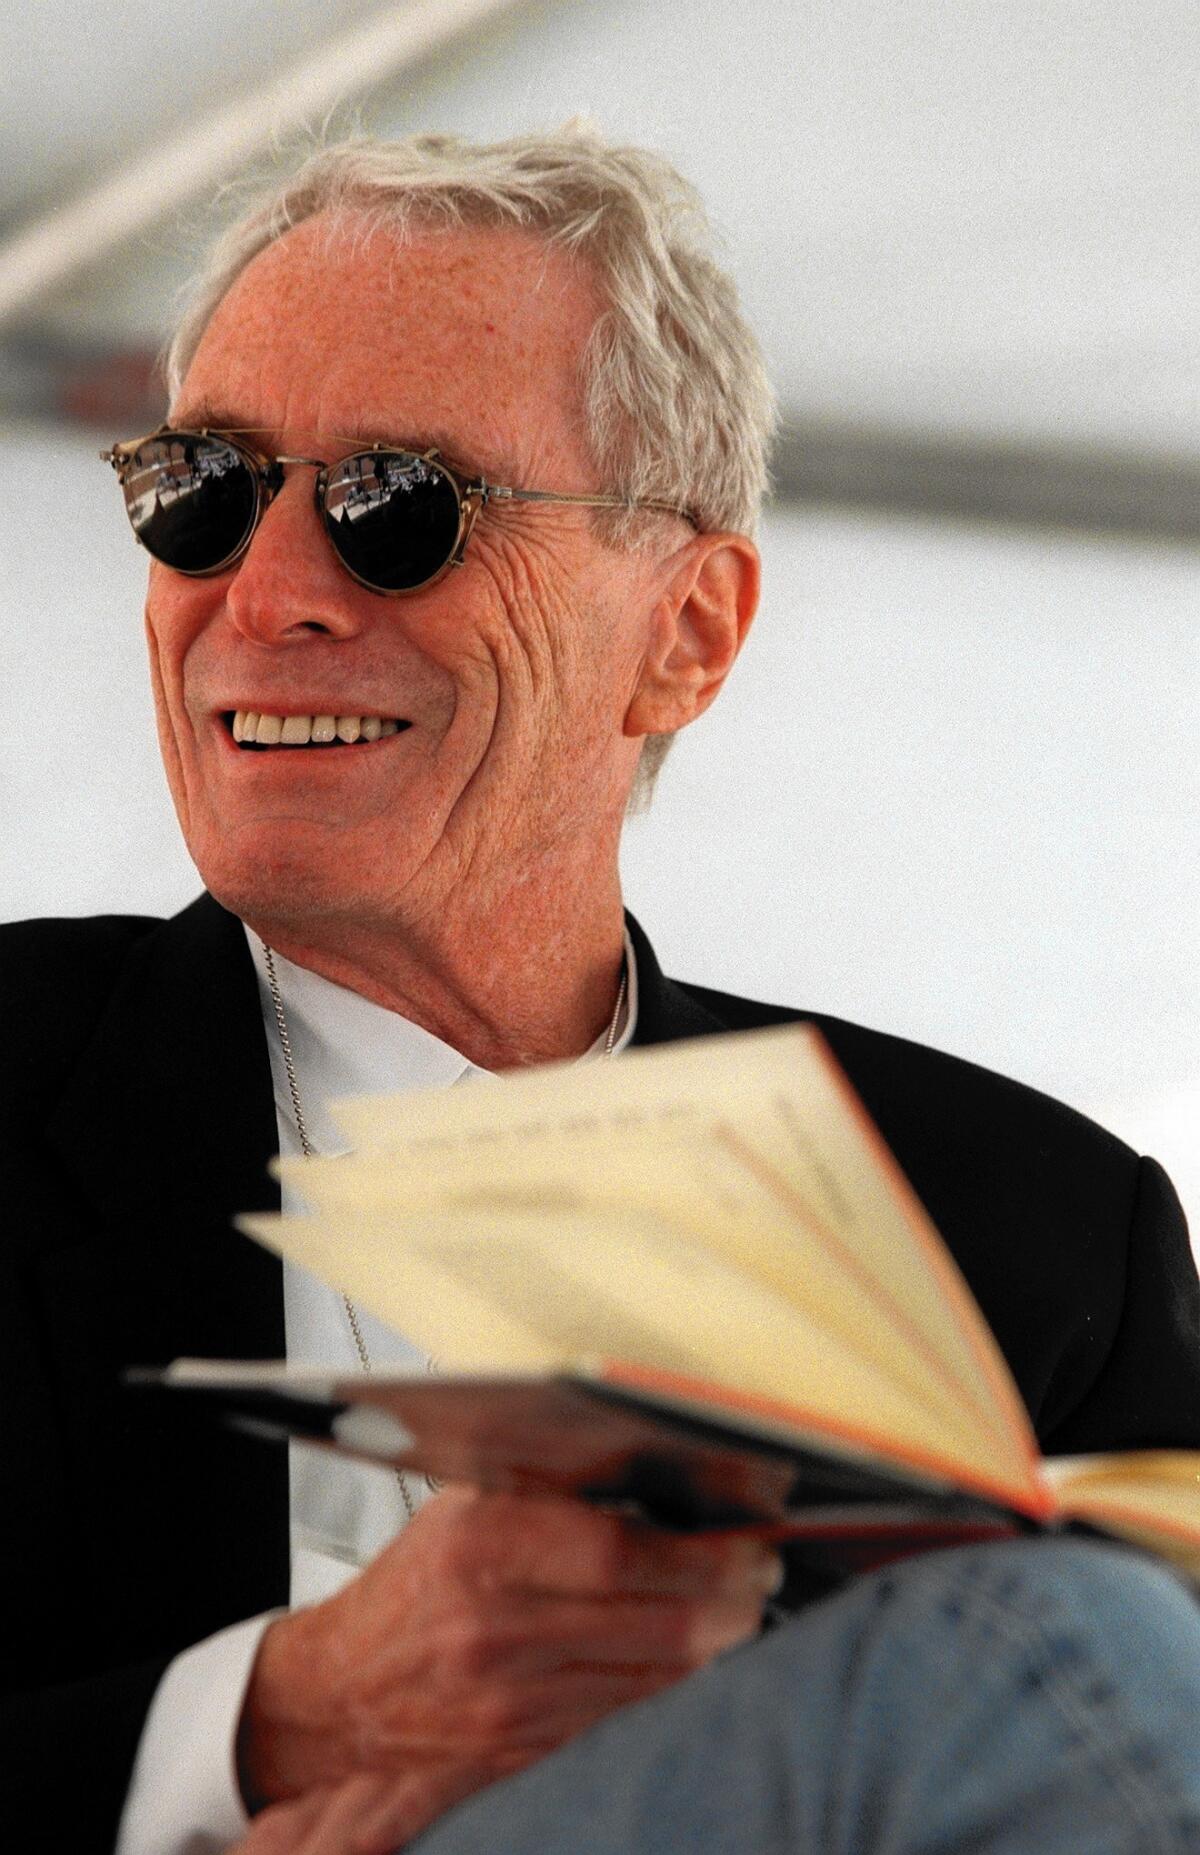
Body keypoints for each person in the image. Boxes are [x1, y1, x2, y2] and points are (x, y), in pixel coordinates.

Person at [1, 127, 1197, 1854]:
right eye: (202, 489)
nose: (265, 595)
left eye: (395, 510)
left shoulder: (1033, 1242)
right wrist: (274, 1721)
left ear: (687, 633)